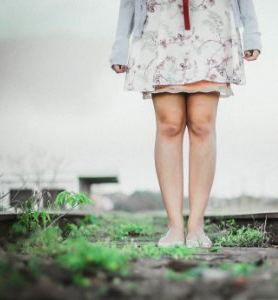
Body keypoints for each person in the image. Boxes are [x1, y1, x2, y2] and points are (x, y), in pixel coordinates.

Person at [109, 0, 262, 248]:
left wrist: (252, 29)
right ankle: (175, 227)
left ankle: (196, 226)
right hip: (159, 21)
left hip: (210, 19)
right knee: (169, 124)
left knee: (202, 123)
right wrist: (120, 41)